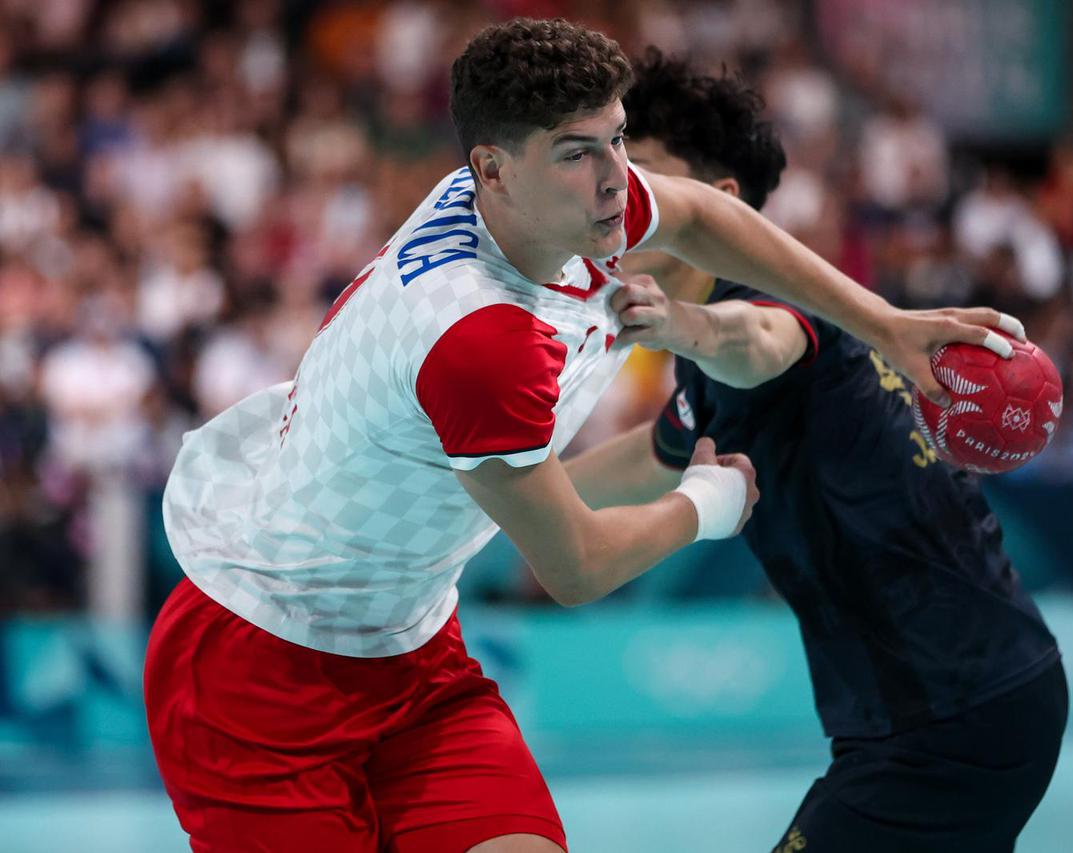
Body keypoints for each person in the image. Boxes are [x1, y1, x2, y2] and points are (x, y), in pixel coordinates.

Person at [145, 19, 1014, 853]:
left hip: (408, 648)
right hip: (253, 669)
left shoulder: (550, 209)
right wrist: (708, 505)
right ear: (492, 167)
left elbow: (707, 221)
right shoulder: (481, 337)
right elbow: (575, 565)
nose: (613, 178)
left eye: (618, 139)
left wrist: (889, 321)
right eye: (578, 152)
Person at [565, 51, 1068, 852]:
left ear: (717, 202)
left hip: (950, 709)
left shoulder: (768, 305)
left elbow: (754, 343)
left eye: (643, 181)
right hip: (951, 698)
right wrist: (487, 498)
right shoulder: (706, 374)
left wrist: (677, 326)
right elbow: (652, 455)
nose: (616, 201)